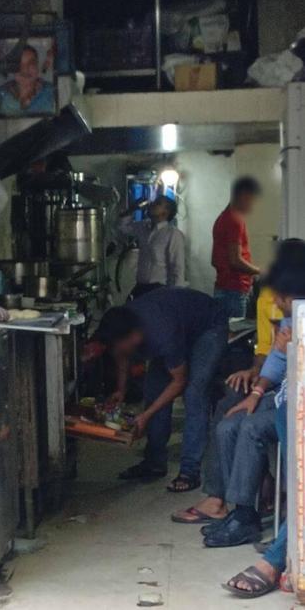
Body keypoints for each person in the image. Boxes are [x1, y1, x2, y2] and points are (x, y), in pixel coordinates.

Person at [171, 240, 303, 526]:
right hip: (272, 380)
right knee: (229, 408)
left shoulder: (296, 307)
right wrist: (254, 380)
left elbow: (286, 357)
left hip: (290, 389)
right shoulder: (274, 299)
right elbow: (269, 353)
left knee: (250, 424)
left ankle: (251, 503)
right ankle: (221, 500)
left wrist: (295, 349)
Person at [222, 260, 305, 598]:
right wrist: (256, 393)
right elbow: (277, 360)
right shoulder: (292, 318)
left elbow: (288, 358)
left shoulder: (297, 316)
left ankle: (274, 560)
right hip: (290, 404)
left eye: (279, 297)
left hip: (299, 408)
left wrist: (294, 349)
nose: (277, 303)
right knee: (236, 422)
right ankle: (242, 513)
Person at [97, 287, 228, 492]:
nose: (121, 351)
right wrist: (120, 390)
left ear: (134, 336)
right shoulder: (124, 323)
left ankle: (189, 471)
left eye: (124, 346)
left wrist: (146, 415)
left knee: (195, 393)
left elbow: (179, 381)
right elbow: (121, 353)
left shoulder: (161, 334)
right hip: (179, 321)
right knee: (154, 390)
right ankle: (154, 463)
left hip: (208, 326)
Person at [211, 176, 262, 317]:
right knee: (237, 335)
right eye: (251, 199)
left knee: (224, 333)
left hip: (222, 287)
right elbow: (235, 260)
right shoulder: (235, 220)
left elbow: (215, 260)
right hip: (235, 290)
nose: (251, 204)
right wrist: (259, 271)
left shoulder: (221, 219)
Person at [119, 195, 186, 300]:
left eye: (158, 203)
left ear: (166, 212)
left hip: (160, 290)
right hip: (141, 287)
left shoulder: (172, 234)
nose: (152, 205)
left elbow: (177, 268)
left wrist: (175, 297)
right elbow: (123, 228)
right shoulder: (144, 227)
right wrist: (132, 209)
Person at [0, 45, 55, 114]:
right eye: (19, 64)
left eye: (31, 63)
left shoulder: (51, 92)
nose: (25, 69)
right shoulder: (0, 94)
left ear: (37, 66)